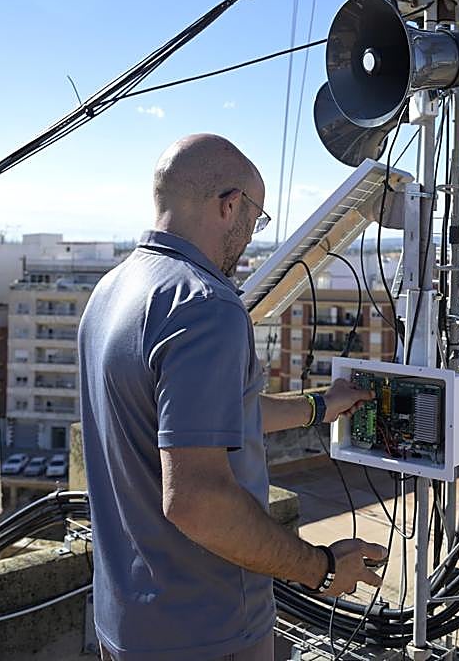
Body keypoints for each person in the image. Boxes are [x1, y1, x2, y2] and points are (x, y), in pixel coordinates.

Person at [79, 134, 387, 661]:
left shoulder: (112, 291)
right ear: (230, 205)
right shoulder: (205, 306)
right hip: (205, 631)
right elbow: (197, 501)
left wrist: (318, 406)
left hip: (125, 622)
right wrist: (323, 567)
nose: (250, 236)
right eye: (256, 219)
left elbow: (203, 419)